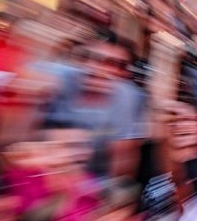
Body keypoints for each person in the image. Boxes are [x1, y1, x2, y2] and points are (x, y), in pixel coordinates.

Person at [45, 30, 147, 177]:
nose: (98, 69)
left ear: (124, 74)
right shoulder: (57, 79)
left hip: (94, 182)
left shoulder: (128, 97)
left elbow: (122, 163)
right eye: (91, 58)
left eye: (113, 64)